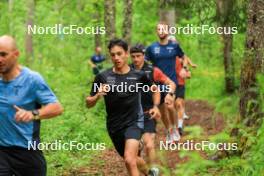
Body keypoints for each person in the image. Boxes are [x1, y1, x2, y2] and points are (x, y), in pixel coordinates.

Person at [86, 39, 161, 176]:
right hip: (114, 126)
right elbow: (88, 103)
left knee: (129, 160)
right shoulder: (102, 77)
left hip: (134, 122)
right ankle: (150, 173)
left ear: (126, 54)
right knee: (134, 159)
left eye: (119, 54)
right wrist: (97, 96)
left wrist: (156, 107)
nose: (116, 58)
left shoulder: (138, 75)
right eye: (113, 55)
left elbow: (155, 89)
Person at [0, 35, 63, 176]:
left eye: (3, 54)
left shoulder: (32, 79)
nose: (0, 59)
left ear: (16, 54)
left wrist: (32, 114)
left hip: (27, 152)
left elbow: (57, 108)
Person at [130, 44, 176, 175]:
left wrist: (170, 94)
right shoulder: (126, 70)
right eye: (133, 57)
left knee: (149, 144)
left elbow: (171, 83)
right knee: (134, 153)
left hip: (148, 112)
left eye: (138, 56)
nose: (136, 59)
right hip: (130, 115)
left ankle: (154, 170)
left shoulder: (152, 70)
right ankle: (146, 171)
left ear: (144, 56)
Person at [145, 21, 187, 142]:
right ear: (156, 32)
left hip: (171, 81)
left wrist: (184, 69)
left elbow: (183, 57)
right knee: (163, 109)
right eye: (159, 29)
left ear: (168, 31)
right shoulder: (151, 48)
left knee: (170, 105)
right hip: (158, 83)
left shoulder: (174, 46)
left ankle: (174, 127)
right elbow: (146, 63)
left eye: (163, 29)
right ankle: (169, 130)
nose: (161, 31)